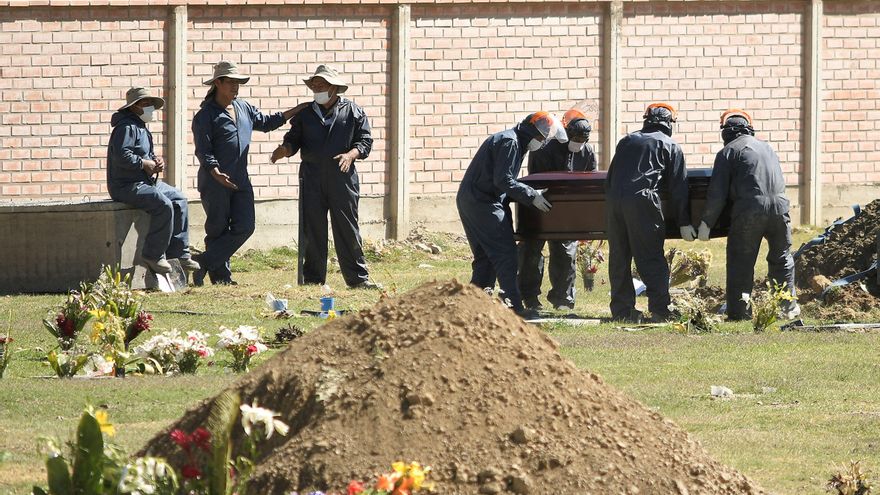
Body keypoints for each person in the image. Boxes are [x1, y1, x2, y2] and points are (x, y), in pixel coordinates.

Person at [192, 61, 301, 286]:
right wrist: (215, 173)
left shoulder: (244, 108)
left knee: (246, 226)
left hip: (240, 179)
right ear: (217, 83)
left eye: (238, 82)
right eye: (230, 82)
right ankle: (221, 278)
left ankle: (202, 261)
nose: (235, 86)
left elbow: (267, 123)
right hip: (215, 181)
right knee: (217, 229)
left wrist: (298, 109)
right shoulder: (205, 115)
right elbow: (204, 151)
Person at [270, 65, 378, 289]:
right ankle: (313, 279)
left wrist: (350, 155)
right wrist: (285, 150)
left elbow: (365, 141)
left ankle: (358, 279)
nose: (317, 89)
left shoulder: (353, 111)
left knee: (347, 228)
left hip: (342, 178)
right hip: (312, 178)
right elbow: (293, 139)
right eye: (315, 86)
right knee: (313, 229)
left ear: (335, 88)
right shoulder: (306, 114)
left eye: (322, 85)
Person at [457, 112, 565, 317]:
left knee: (486, 257)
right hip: (483, 202)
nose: (541, 143)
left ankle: (473, 307)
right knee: (505, 253)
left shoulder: (513, 140)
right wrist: (531, 195)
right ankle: (513, 307)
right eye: (541, 138)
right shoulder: (510, 142)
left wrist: (527, 193)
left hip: (473, 199)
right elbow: (503, 181)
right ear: (532, 131)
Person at [697, 109, 799, 320]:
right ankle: (786, 307)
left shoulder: (728, 152)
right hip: (781, 208)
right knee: (782, 258)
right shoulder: (768, 148)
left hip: (750, 210)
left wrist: (706, 223)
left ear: (726, 132)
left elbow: (717, 193)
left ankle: (739, 311)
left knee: (740, 260)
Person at [605, 103, 695, 323]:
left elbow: (611, 176)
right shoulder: (670, 145)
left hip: (614, 202)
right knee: (650, 256)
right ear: (669, 123)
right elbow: (679, 188)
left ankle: (622, 311)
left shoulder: (626, 141)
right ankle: (660, 310)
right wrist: (684, 221)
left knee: (619, 256)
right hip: (642, 203)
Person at [107, 87, 200, 275]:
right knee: (163, 204)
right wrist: (143, 164)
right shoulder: (126, 127)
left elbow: (144, 155)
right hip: (126, 185)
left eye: (151, 103)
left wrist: (155, 161)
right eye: (144, 103)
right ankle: (153, 254)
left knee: (178, 199)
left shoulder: (141, 127)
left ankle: (179, 253)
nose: (149, 107)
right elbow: (122, 156)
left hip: (144, 182)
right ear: (133, 107)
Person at [518, 110, 597, 311]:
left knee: (566, 252)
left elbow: (590, 180)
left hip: (567, 209)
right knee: (532, 251)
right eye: (575, 138)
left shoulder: (587, 152)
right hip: (540, 204)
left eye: (582, 140)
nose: (578, 143)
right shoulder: (545, 148)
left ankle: (563, 298)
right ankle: (529, 297)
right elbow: (535, 178)